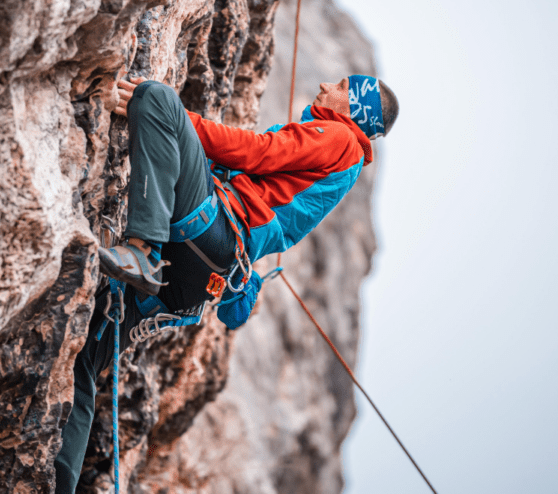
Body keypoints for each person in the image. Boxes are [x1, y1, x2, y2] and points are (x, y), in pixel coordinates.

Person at [53, 74, 399, 493]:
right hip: (202, 279)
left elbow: (258, 152)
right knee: (84, 358)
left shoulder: (341, 137)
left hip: (214, 231)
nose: (327, 85)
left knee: (157, 96)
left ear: (356, 108)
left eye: (343, 86)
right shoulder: (340, 167)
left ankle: (142, 250)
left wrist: (171, 115)